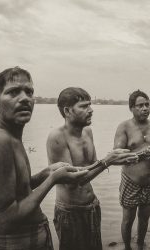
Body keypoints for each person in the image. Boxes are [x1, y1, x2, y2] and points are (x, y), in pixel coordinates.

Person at [0, 67, 89, 250]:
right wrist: (53, 180)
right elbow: (6, 220)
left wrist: (46, 173)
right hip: (18, 242)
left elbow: (19, 190)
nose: (25, 98)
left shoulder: (11, 137)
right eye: (13, 92)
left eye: (29, 91)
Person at [46, 87, 138, 250]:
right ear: (67, 111)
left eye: (90, 105)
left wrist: (120, 159)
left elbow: (93, 165)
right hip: (70, 211)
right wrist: (107, 161)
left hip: (92, 205)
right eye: (84, 106)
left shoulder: (87, 131)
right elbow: (72, 181)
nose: (91, 110)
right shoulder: (57, 137)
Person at [113, 90, 150, 250]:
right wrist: (142, 154)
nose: (145, 108)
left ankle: (139, 245)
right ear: (131, 108)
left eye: (147, 104)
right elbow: (116, 158)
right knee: (128, 219)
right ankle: (127, 247)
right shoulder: (124, 127)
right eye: (140, 105)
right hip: (131, 182)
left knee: (144, 219)